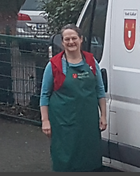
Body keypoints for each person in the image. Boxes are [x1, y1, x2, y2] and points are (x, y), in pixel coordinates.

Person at [39, 24, 107, 172]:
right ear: (62, 42)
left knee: (89, 155)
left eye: (74, 38)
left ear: (81, 39)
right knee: (65, 156)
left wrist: (103, 115)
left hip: (88, 121)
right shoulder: (54, 66)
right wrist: (45, 120)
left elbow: (100, 90)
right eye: (67, 39)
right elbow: (44, 95)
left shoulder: (91, 62)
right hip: (63, 121)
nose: (71, 42)